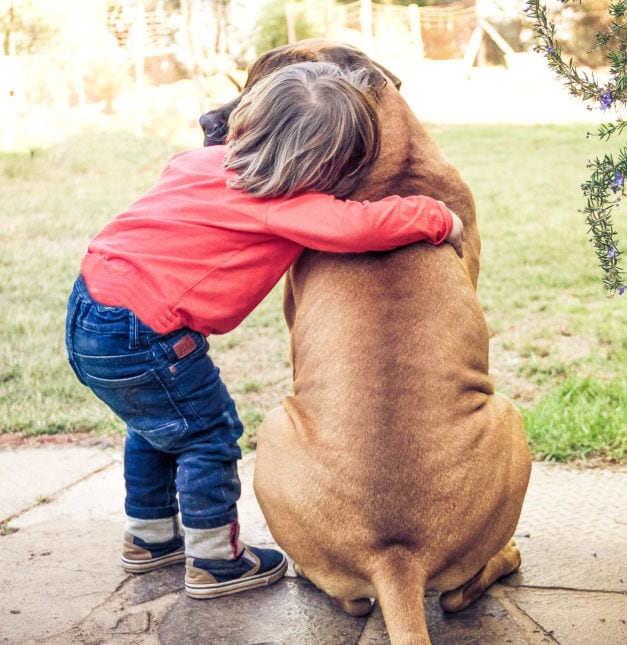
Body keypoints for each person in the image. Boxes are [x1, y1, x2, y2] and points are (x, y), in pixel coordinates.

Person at [64, 61, 464, 600]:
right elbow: (362, 226)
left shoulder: (192, 163)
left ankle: (150, 537)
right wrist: (439, 217)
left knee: (156, 425)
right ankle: (216, 559)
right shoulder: (283, 205)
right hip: (147, 334)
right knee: (207, 434)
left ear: (249, 121)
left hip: (89, 310)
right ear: (329, 165)